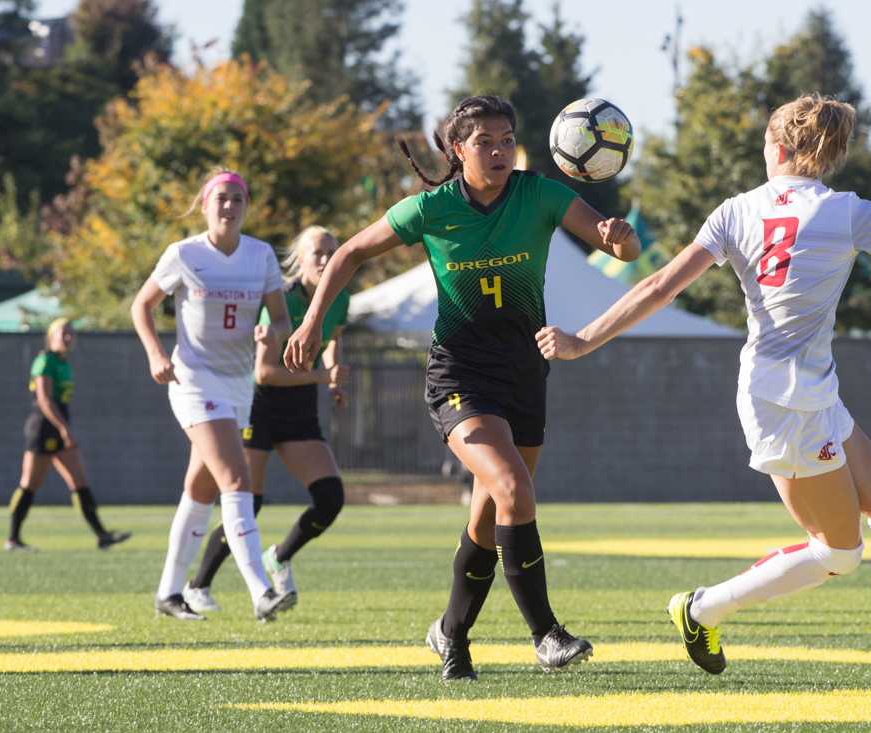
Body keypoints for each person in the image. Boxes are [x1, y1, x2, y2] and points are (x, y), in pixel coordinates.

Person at [535, 93, 871, 697]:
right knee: (837, 554)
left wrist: (582, 340)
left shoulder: (735, 211)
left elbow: (657, 286)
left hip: (800, 393)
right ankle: (702, 609)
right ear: (827, 155)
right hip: (789, 401)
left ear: (777, 147)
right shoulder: (847, 211)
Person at [284, 95, 641, 680]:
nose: (499, 151)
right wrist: (310, 322)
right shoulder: (431, 209)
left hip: (525, 373)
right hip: (460, 375)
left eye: (506, 140)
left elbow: (617, 247)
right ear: (457, 149)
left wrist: (619, 236)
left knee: (487, 518)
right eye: (485, 142)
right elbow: (347, 254)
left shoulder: (541, 194)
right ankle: (546, 634)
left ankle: (450, 634)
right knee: (512, 487)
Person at [131, 168, 295, 622]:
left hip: (239, 383)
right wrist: (154, 355)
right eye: (220, 198)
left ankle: (168, 592)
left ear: (246, 206)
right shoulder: (183, 253)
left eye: (236, 199)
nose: (228, 206)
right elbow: (140, 305)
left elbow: (281, 320)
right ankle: (261, 591)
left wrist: (271, 333)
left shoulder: (260, 255)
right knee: (237, 480)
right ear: (204, 206)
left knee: (200, 488)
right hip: (194, 380)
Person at [182, 225, 350, 614]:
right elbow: (264, 373)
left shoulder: (339, 297)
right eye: (317, 253)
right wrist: (323, 376)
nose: (325, 260)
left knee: (330, 498)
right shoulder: (285, 298)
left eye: (331, 252)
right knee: (248, 502)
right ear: (299, 260)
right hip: (259, 404)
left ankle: (280, 556)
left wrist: (334, 373)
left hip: (301, 404)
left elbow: (332, 338)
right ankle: (197, 586)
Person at [6, 318, 132, 552]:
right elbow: (44, 399)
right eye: (63, 333)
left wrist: (64, 428)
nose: (68, 338)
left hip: (59, 425)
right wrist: (64, 428)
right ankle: (12, 539)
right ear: (51, 336)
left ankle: (102, 535)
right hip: (43, 427)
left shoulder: (64, 363)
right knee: (30, 483)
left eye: (71, 334)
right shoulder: (45, 360)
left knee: (79, 481)